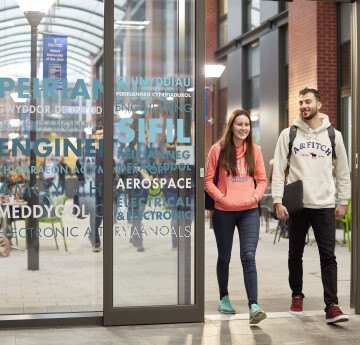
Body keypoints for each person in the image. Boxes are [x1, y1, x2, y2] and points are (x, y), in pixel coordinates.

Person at [272, 87, 351, 324]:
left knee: (328, 256)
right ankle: (297, 295)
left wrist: (343, 201)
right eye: (300, 102)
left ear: (319, 104)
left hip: (325, 204)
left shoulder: (333, 135)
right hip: (298, 205)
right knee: (294, 254)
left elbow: (344, 172)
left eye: (308, 101)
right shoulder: (289, 134)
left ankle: (332, 306)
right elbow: (278, 169)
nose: (304, 105)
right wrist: (277, 200)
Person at [205, 109, 268, 324]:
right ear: (231, 126)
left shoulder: (255, 150)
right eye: (239, 124)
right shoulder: (218, 149)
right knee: (225, 256)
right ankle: (224, 297)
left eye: (247, 125)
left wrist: (255, 197)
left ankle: (254, 305)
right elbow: (207, 182)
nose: (243, 128)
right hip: (223, 212)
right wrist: (222, 198)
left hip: (249, 211)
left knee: (248, 256)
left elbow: (262, 180)